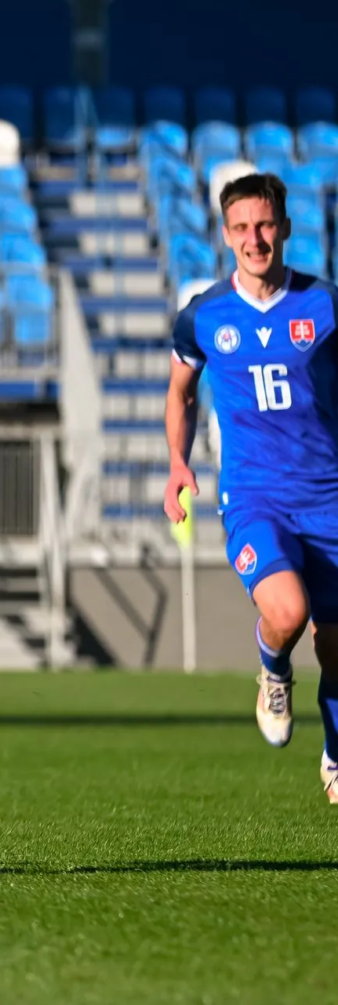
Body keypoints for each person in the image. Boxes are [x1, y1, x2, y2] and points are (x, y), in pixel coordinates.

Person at [165, 172, 338, 802]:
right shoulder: (204, 315)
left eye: (265, 225)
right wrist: (178, 464)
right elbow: (181, 394)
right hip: (254, 498)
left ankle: (336, 757)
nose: (254, 239)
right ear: (225, 234)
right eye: (241, 227)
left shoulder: (325, 304)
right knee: (288, 612)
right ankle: (273, 669)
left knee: (336, 646)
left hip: (329, 496)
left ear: (285, 228)